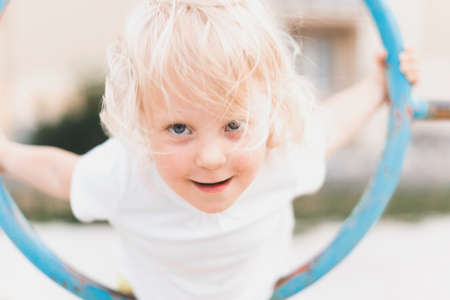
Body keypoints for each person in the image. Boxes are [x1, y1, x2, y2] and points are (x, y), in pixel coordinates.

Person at [0, 0, 419, 299]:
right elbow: (64, 175)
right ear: (142, 125)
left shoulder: (279, 152)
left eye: (233, 125)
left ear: (269, 113)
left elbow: (332, 123)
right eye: (179, 128)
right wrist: (5, 154)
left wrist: (381, 87)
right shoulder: (132, 169)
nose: (211, 157)